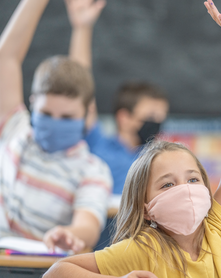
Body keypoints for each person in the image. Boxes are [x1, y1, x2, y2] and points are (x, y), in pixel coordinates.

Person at [41, 1, 221, 278]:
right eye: (168, 184)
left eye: (193, 179)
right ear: (145, 205)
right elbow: (54, 275)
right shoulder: (143, 249)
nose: (186, 191)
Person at [0, 0, 112, 253]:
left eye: (67, 117)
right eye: (46, 113)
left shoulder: (92, 170)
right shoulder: (15, 130)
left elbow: (88, 226)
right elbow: (5, 57)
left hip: (26, 273)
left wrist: (70, 234)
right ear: (32, 104)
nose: (55, 122)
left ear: (86, 113)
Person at [65, 0, 169, 196]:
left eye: (160, 118)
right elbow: (80, 88)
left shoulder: (158, 160)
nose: (157, 124)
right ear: (124, 117)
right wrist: (82, 29)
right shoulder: (96, 144)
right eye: (150, 116)